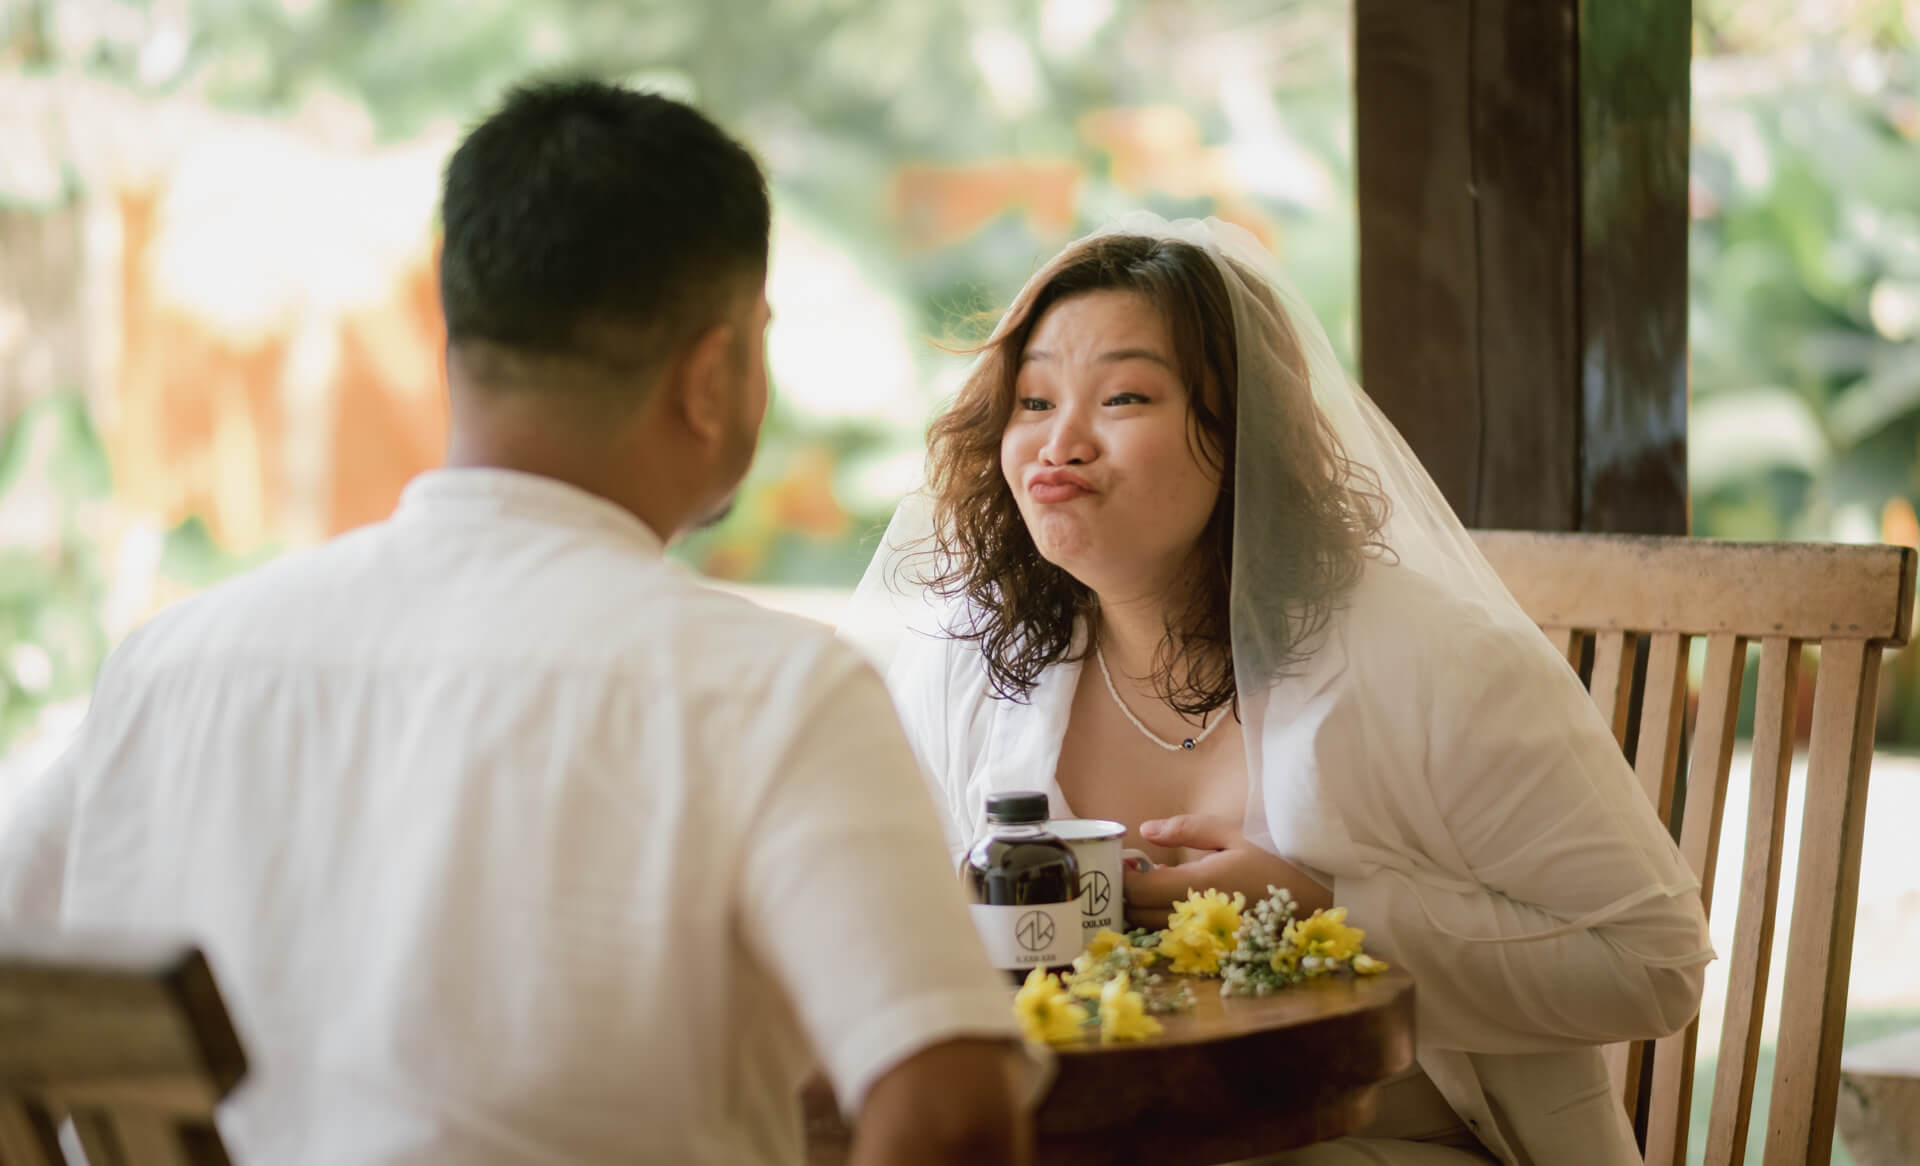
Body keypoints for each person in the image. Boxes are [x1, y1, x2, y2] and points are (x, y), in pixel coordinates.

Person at [0, 80, 1036, 1166]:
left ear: (455, 337)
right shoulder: (772, 692)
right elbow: (950, 1111)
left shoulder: (171, 670)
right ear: (712, 375)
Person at [847, 215, 1714, 1166]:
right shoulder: (970, 660)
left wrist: (1325, 911)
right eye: (1033, 400)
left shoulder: (1430, 659)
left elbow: (1652, 965)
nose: (1060, 443)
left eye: (1125, 396)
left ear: (1246, 431)